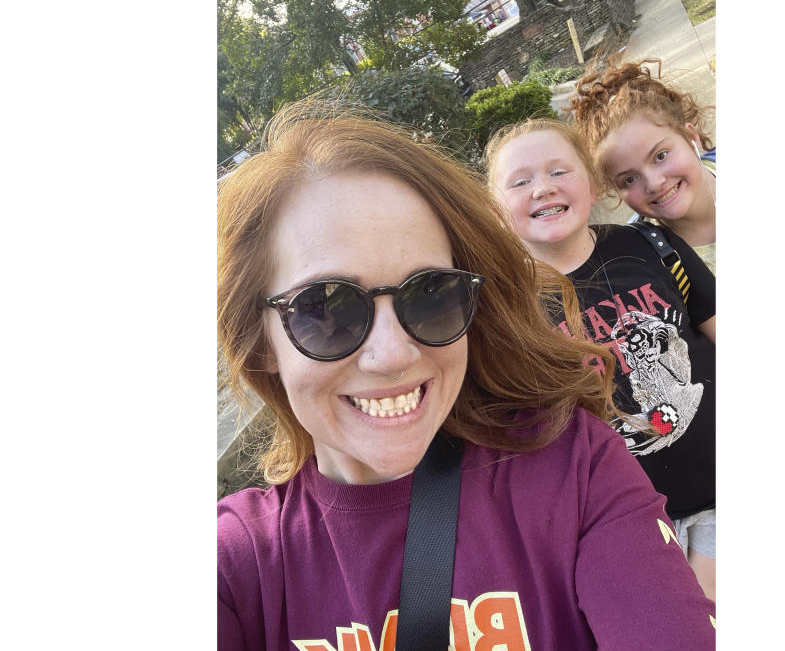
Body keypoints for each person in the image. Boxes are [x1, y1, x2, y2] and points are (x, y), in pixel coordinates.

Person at [217, 99, 716, 650]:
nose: (393, 355)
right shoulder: (237, 565)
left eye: (431, 294)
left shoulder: (575, 468)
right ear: (259, 341)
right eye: (326, 309)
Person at [485, 118, 717, 600]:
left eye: (558, 171)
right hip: (628, 523)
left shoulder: (652, 245)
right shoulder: (505, 310)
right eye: (521, 181)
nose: (543, 189)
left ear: (593, 183)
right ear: (496, 208)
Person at [571, 59, 717, 274]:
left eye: (660, 156)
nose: (654, 183)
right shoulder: (642, 265)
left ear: (691, 137)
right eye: (629, 179)